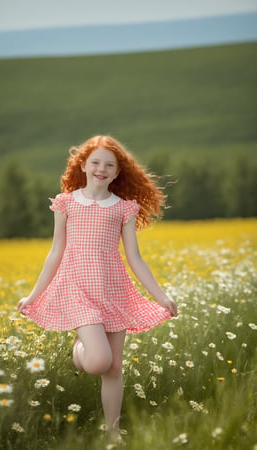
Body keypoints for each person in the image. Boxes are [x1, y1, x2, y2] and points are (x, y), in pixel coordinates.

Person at [18, 135, 177, 443]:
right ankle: (80, 349)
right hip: (76, 287)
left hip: (113, 289)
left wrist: (162, 296)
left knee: (114, 367)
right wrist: (34, 295)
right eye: (95, 162)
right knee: (98, 361)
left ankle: (113, 432)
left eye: (109, 165)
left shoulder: (123, 208)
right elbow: (55, 252)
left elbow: (134, 258)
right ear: (83, 165)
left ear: (117, 173)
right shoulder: (66, 202)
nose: (101, 169)